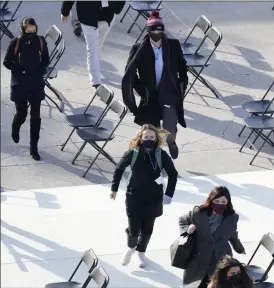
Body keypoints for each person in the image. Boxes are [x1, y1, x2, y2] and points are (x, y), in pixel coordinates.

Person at [122, 10, 189, 160]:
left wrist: (181, 83)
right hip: (150, 96)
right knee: (150, 131)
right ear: (148, 31)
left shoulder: (173, 45)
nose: (157, 33)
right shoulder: (138, 49)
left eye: (160, 30)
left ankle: (171, 142)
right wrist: (141, 89)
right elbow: (130, 73)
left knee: (170, 128)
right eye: (154, 30)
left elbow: (182, 67)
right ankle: (154, 155)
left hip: (169, 94)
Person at [110, 124, 178, 268]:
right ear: (141, 137)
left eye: (151, 137)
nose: (149, 139)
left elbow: (173, 174)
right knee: (134, 231)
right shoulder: (132, 152)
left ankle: (141, 253)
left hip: (154, 197)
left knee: (147, 230)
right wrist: (114, 189)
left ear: (156, 138)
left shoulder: (161, 154)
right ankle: (131, 248)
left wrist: (169, 194)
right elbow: (119, 169)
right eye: (146, 137)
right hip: (134, 196)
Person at [179, 186, 245, 288]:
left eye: (223, 202)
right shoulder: (198, 213)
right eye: (217, 201)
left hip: (220, 259)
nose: (220, 204)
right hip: (199, 258)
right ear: (211, 200)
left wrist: (239, 248)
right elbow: (182, 220)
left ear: (228, 202)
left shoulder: (232, 217)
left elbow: (233, 235)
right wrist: (188, 230)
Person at [3, 17, 49, 161]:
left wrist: (40, 72)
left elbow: (46, 60)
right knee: (22, 114)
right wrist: (20, 71)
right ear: (23, 28)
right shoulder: (16, 42)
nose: (31, 30)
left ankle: (33, 147)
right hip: (21, 83)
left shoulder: (40, 41)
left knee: (35, 117)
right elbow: (7, 62)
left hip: (36, 82)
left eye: (33, 27)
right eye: (29, 27)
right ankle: (15, 126)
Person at [60, 1, 125, 88]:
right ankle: (95, 79)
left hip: (108, 15)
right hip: (87, 15)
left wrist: (117, 8)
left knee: (98, 45)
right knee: (92, 48)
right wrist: (65, 11)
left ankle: (95, 66)